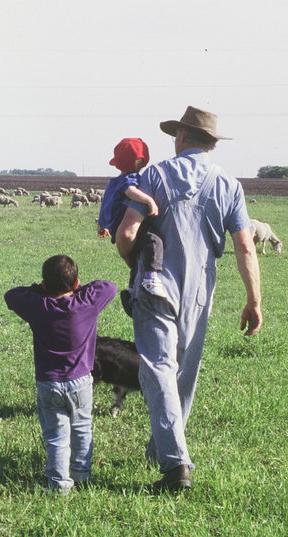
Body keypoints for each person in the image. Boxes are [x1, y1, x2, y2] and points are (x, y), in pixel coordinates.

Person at [114, 106, 262, 493]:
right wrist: (254, 300)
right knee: (183, 372)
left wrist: (134, 262)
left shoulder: (154, 174)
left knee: (158, 366)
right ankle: (162, 450)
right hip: (201, 289)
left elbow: (127, 233)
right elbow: (245, 246)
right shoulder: (229, 185)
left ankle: (175, 463)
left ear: (180, 137)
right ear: (211, 143)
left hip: (155, 281)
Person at [4, 255, 117, 494]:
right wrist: (79, 288)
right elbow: (109, 286)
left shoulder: (38, 306)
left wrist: (40, 290)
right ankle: (82, 475)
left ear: (45, 285)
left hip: (49, 382)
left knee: (56, 435)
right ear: (75, 284)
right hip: (82, 382)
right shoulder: (86, 303)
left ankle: (58, 484)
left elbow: (11, 295)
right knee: (82, 428)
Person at [96, 138, 164, 314]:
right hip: (123, 223)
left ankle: (132, 288)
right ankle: (151, 279)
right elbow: (130, 192)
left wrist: (102, 225)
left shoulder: (113, 181)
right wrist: (149, 201)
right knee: (153, 241)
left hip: (114, 226)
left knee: (135, 261)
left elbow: (105, 203)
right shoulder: (130, 179)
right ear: (140, 161)